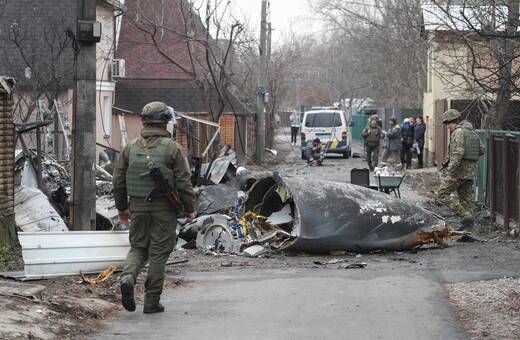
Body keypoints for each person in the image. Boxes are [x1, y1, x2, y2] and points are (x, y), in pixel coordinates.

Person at [113, 101, 196, 314]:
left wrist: (122, 208)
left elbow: (118, 181)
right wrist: (189, 209)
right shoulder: (173, 148)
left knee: (138, 248)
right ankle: (151, 302)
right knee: (159, 252)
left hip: (137, 209)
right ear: (165, 123)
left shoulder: (130, 147)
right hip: (164, 210)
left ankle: (128, 279)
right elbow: (184, 183)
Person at [437, 109, 485, 231]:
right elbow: (482, 150)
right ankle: (468, 233)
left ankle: (465, 217)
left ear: (454, 122)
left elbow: (458, 152)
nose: (448, 127)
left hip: (459, 171)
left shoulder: (458, 132)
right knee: (466, 201)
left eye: (448, 124)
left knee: (442, 194)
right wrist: (469, 161)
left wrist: (450, 172)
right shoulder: (471, 132)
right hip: (470, 172)